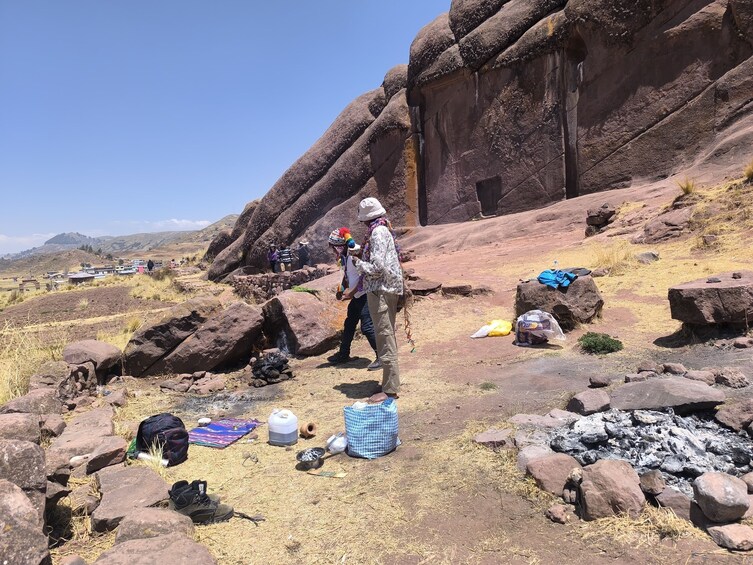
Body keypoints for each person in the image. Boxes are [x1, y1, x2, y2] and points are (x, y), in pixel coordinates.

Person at [353, 197, 403, 398]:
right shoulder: (384, 228)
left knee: (384, 336)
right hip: (387, 288)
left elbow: (377, 267)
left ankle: (390, 389)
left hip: (380, 290)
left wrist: (358, 264)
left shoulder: (377, 233)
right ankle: (390, 380)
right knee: (387, 334)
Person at [326, 228, 379, 369]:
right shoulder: (345, 256)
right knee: (349, 324)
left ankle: (382, 356)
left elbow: (364, 277)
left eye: (333, 248)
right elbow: (349, 275)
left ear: (339, 246)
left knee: (367, 327)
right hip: (357, 296)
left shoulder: (354, 254)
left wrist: (352, 292)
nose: (332, 251)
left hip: (366, 295)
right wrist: (343, 289)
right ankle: (343, 354)